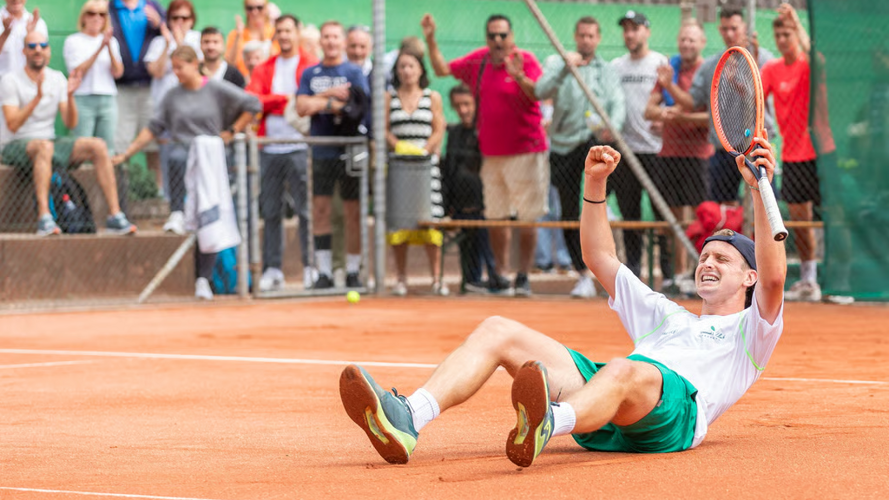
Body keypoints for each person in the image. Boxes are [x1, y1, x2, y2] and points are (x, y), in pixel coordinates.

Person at [339, 134, 786, 467]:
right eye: (704, 255)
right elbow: (598, 256)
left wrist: (755, 188)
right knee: (498, 328)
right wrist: (593, 185)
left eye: (722, 260)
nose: (707, 263)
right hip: (607, 402)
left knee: (626, 367)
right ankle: (408, 417)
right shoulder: (665, 316)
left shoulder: (752, 332)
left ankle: (550, 421)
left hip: (673, 416)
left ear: (748, 276)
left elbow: (774, 276)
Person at [112, 45, 260, 299]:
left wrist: (232, 131)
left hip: (210, 165)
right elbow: (154, 128)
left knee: (209, 221)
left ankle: (203, 280)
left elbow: (253, 104)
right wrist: (128, 152)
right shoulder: (171, 96)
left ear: (195, 64)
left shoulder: (215, 88)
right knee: (178, 158)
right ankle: (177, 212)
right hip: (181, 164)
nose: (176, 73)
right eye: (174, 68)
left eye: (180, 67)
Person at [422, 13, 549, 296]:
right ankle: (501, 276)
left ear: (511, 36)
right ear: (486, 38)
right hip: (491, 155)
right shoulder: (479, 61)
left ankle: (523, 277)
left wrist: (519, 76)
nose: (498, 41)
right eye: (492, 35)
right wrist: (431, 38)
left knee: (527, 218)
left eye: (503, 35)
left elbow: (538, 94)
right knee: (496, 218)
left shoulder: (524, 60)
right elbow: (442, 69)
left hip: (527, 151)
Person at [1, 30, 136, 236]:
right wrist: (37, 99)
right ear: (24, 52)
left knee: (98, 146)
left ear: (49, 51)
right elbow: (12, 124)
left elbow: (70, 122)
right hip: (16, 144)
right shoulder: (10, 80)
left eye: (43, 46)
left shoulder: (57, 78)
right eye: (32, 46)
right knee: (44, 147)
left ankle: (114, 216)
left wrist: (70, 96)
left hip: (50, 141)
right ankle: (45, 218)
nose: (38, 50)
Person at [535, 15, 626, 298]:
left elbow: (617, 103)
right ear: (576, 36)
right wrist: (565, 66)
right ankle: (582, 274)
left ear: (597, 39)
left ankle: (611, 269)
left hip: (596, 145)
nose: (586, 40)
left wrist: (613, 128)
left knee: (598, 207)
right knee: (568, 210)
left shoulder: (606, 69)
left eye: (591, 36)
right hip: (564, 146)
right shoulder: (557, 63)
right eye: (582, 35)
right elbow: (540, 91)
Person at [761, 4, 832, 302]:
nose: (782, 39)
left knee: (832, 217)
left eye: (787, 33)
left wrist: (796, 21)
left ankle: (839, 281)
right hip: (791, 155)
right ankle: (809, 280)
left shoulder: (809, 64)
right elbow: (756, 99)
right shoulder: (771, 69)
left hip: (822, 151)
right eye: (778, 34)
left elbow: (815, 53)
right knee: (801, 221)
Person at [673, 7, 774, 206]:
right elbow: (692, 101)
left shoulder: (765, 59)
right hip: (724, 149)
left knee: (764, 205)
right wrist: (668, 84)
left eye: (734, 28)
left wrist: (743, 81)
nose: (729, 33)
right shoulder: (711, 64)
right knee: (721, 210)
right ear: (719, 29)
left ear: (745, 27)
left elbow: (763, 99)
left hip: (757, 148)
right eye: (725, 28)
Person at [246, 14, 319, 292]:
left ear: (297, 32)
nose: (284, 36)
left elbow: (310, 103)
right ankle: (272, 269)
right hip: (270, 148)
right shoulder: (265, 67)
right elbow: (254, 100)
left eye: (289, 31)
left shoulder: (310, 65)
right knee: (271, 210)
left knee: (305, 210)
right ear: (275, 35)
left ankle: (310, 267)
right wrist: (285, 100)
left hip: (301, 147)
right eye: (280, 31)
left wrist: (290, 102)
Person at [296, 21, 369, 289]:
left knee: (352, 211)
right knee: (321, 209)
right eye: (326, 37)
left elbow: (358, 107)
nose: (330, 42)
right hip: (322, 150)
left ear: (343, 41)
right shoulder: (310, 73)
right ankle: (324, 272)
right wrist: (328, 98)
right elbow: (301, 107)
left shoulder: (354, 71)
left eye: (335, 37)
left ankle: (352, 271)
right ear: (321, 41)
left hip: (349, 150)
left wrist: (322, 104)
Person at [643, 19, 712, 292]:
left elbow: (710, 117)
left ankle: (696, 273)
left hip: (698, 157)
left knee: (697, 219)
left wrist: (681, 116)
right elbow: (649, 111)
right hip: (668, 155)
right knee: (668, 219)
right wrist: (666, 114)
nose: (687, 44)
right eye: (683, 39)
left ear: (702, 43)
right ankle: (673, 276)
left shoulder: (707, 71)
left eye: (692, 40)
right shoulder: (668, 70)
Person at [610, 11, 669, 279]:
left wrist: (664, 121)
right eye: (626, 30)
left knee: (661, 215)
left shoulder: (659, 62)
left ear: (647, 31)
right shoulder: (616, 66)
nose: (630, 34)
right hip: (626, 151)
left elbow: (670, 99)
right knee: (629, 213)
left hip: (657, 151)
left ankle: (667, 274)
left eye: (635, 29)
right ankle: (633, 271)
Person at [385, 50, 447, 296]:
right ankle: (401, 279)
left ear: (420, 70)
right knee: (401, 224)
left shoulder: (432, 97)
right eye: (402, 67)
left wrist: (424, 150)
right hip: (399, 168)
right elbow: (384, 129)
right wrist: (398, 146)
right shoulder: (388, 97)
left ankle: (436, 279)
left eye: (411, 66)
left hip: (425, 168)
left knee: (430, 222)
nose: (406, 71)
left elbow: (438, 128)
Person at [143, 0, 201, 235]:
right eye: (175, 18)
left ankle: (189, 207)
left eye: (184, 18)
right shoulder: (159, 42)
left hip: (192, 113)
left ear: (192, 20)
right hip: (165, 110)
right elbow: (156, 72)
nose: (179, 23)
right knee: (168, 158)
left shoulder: (197, 40)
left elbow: (197, 71)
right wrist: (168, 43)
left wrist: (178, 44)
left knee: (189, 158)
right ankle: (172, 207)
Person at [441, 84, 496, 294]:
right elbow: (450, 170)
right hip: (461, 205)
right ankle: (471, 279)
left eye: (466, 104)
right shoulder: (454, 132)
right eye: (457, 106)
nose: (462, 110)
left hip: (485, 204)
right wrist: (448, 206)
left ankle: (493, 276)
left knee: (484, 237)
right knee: (468, 241)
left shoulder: (486, 129)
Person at [108, 0, 164, 197]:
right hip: (121, 88)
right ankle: (122, 195)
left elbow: (168, 35)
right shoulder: (109, 7)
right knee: (120, 144)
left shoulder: (152, 6)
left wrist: (159, 24)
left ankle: (158, 194)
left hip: (150, 88)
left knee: (153, 144)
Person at [63, 0, 124, 153]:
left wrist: (108, 46)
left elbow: (118, 72)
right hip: (83, 98)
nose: (96, 17)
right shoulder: (73, 41)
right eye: (91, 13)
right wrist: (100, 48)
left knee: (108, 148)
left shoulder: (112, 42)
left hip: (107, 98)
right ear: (83, 17)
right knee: (81, 146)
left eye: (101, 14)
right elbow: (77, 72)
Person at [1, 0, 47, 146]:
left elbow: (41, 57)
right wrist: (5, 33)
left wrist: (30, 35)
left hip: (29, 88)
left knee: (31, 140)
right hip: (2, 91)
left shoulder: (37, 23)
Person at [226, 0, 278, 78]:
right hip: (243, 81)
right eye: (250, 8)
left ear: (267, 9)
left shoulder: (275, 33)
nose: (255, 12)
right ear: (245, 10)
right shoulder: (236, 34)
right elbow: (229, 63)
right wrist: (238, 36)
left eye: (259, 8)